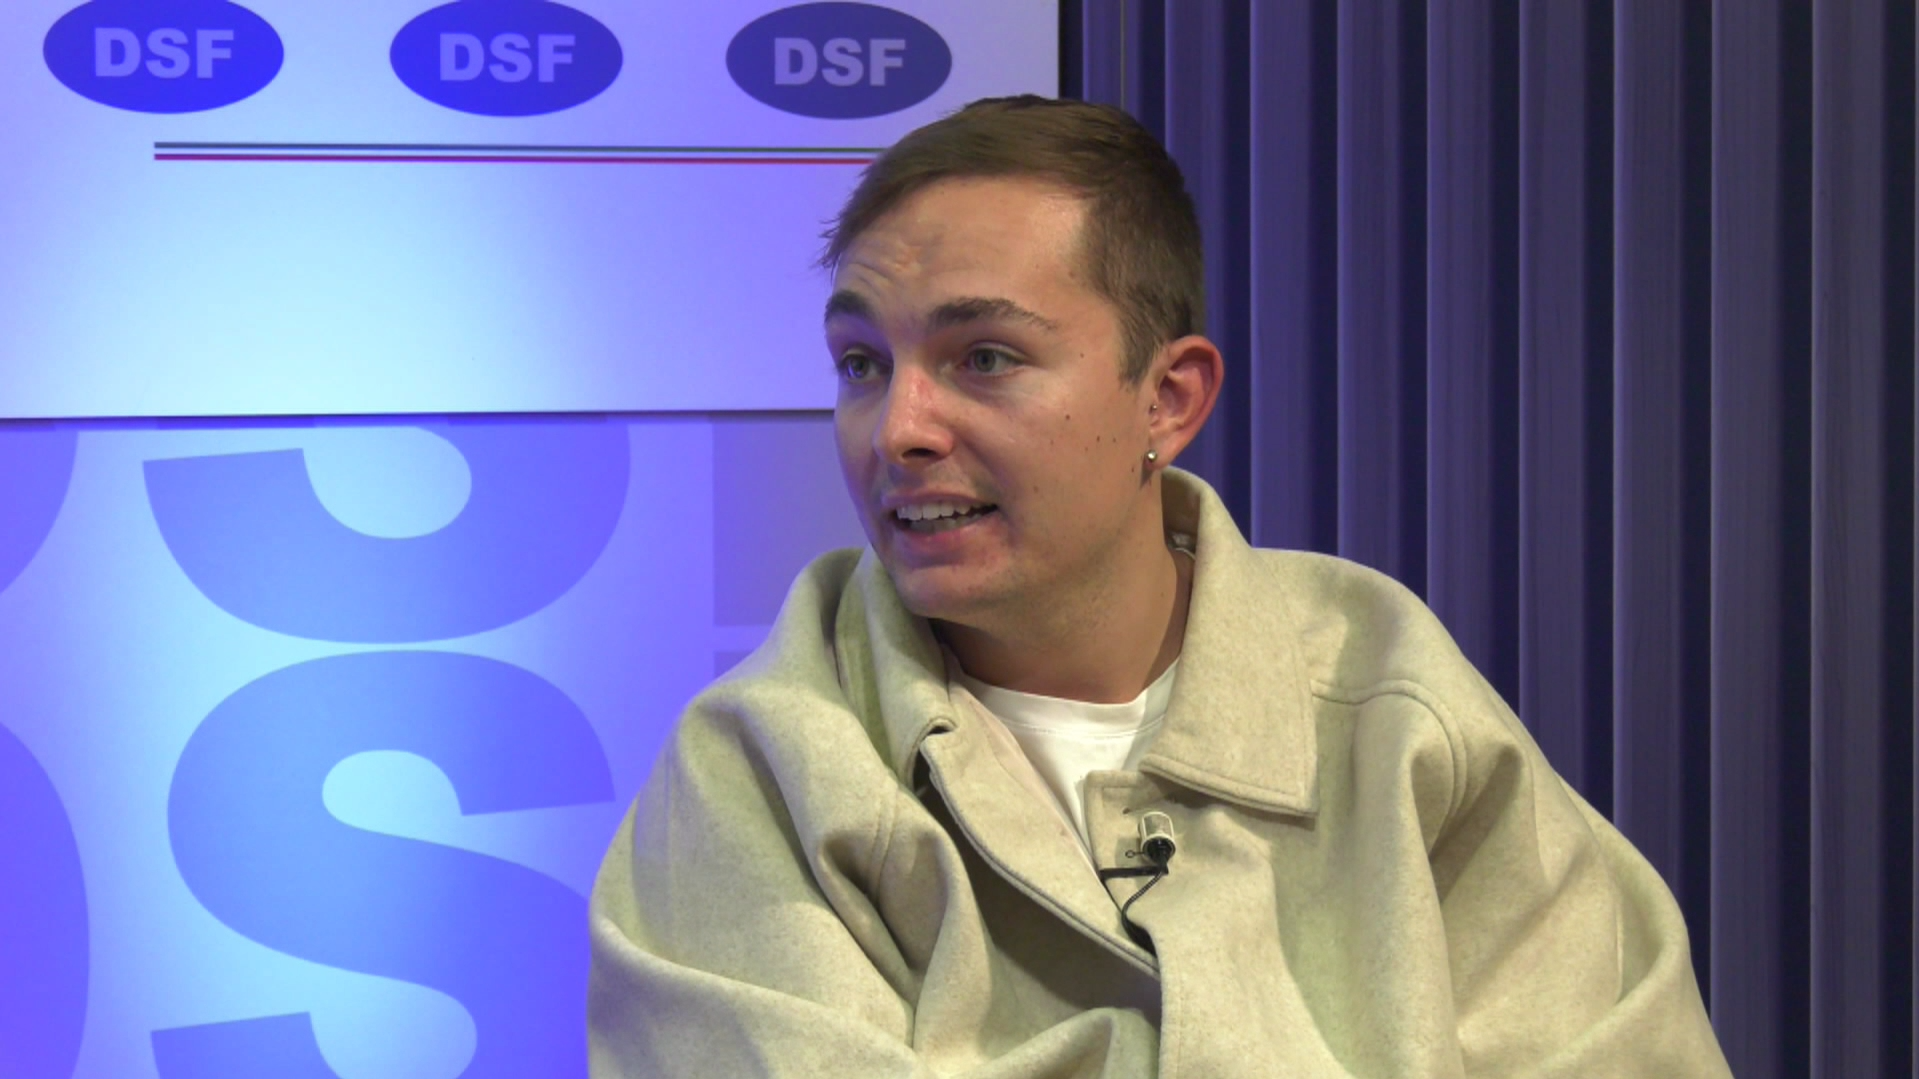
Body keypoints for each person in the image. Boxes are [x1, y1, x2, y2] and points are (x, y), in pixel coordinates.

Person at [587, 96, 1731, 1078]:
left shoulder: (1393, 708)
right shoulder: (759, 767)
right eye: (861, 363)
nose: (898, 429)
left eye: (984, 356)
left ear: (1168, 399)